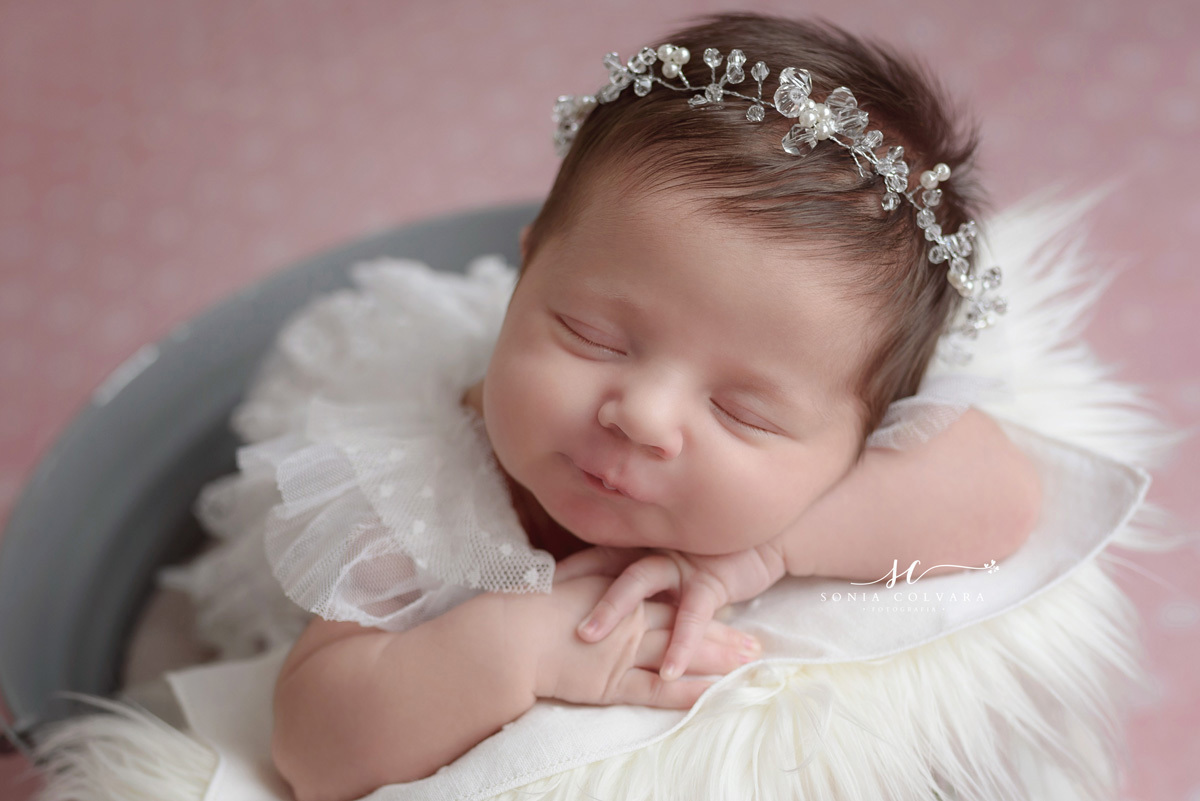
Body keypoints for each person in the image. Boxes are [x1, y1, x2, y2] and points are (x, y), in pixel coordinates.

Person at [177, 13, 1041, 801]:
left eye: (744, 412)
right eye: (593, 336)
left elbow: (1003, 493)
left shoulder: (844, 420)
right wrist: (516, 648)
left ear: (860, 432)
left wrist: (759, 554)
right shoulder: (421, 483)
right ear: (526, 272)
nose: (643, 415)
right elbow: (313, 747)